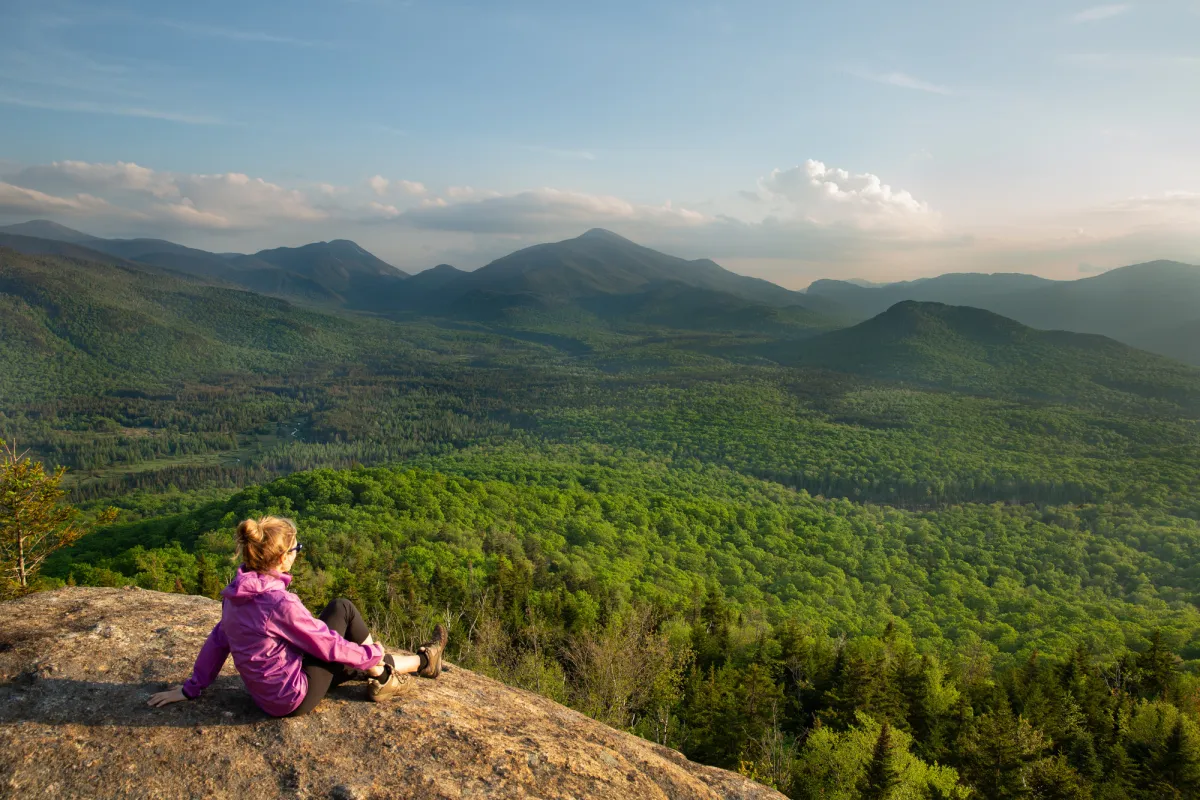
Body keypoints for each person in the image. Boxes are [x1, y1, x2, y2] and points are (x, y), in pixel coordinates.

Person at [147, 515, 447, 716]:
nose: (298, 552)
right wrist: (369, 653)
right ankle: (383, 677)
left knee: (344, 640)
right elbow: (326, 645)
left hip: (270, 691)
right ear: (282, 557)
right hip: (291, 697)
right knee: (343, 610)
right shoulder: (278, 602)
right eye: (296, 548)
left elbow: (217, 642)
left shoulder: (235, 595)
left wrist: (191, 689)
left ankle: (423, 662)